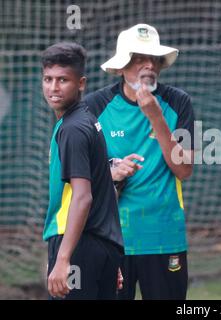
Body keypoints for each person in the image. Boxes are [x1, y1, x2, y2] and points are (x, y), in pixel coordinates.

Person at [84, 24, 194, 300]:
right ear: (122, 66)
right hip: (109, 237)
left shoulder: (177, 102)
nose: (148, 65)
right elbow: (76, 172)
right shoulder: (94, 106)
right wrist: (111, 170)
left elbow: (184, 169)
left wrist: (155, 117)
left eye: (153, 58)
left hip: (163, 236)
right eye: (138, 58)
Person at [42, 42, 123, 299]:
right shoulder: (87, 120)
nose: (54, 87)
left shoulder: (73, 129)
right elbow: (104, 189)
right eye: (48, 79)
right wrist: (105, 254)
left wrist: (64, 258)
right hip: (100, 245)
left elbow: (83, 196)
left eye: (63, 80)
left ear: (81, 83)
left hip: (78, 243)